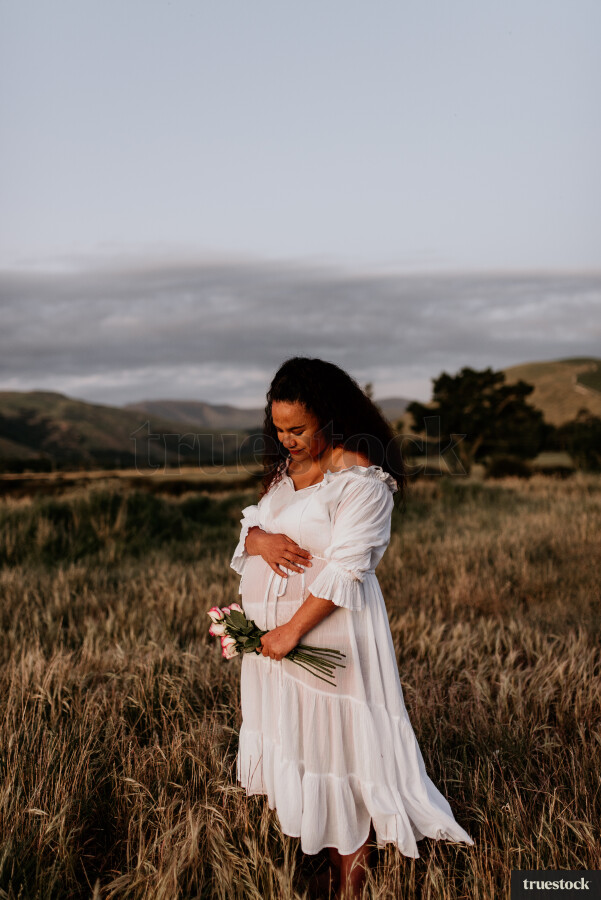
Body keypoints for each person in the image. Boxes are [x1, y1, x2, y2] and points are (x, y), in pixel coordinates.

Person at [230, 357, 474, 898]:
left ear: (331, 418)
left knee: (336, 752)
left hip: (322, 634)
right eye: (279, 427)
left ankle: (353, 880)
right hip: (271, 645)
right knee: (298, 745)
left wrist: (291, 630)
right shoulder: (284, 472)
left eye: (298, 429)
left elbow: (349, 567)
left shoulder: (362, 478)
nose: (286, 439)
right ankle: (318, 853)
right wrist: (258, 542)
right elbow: (250, 526)